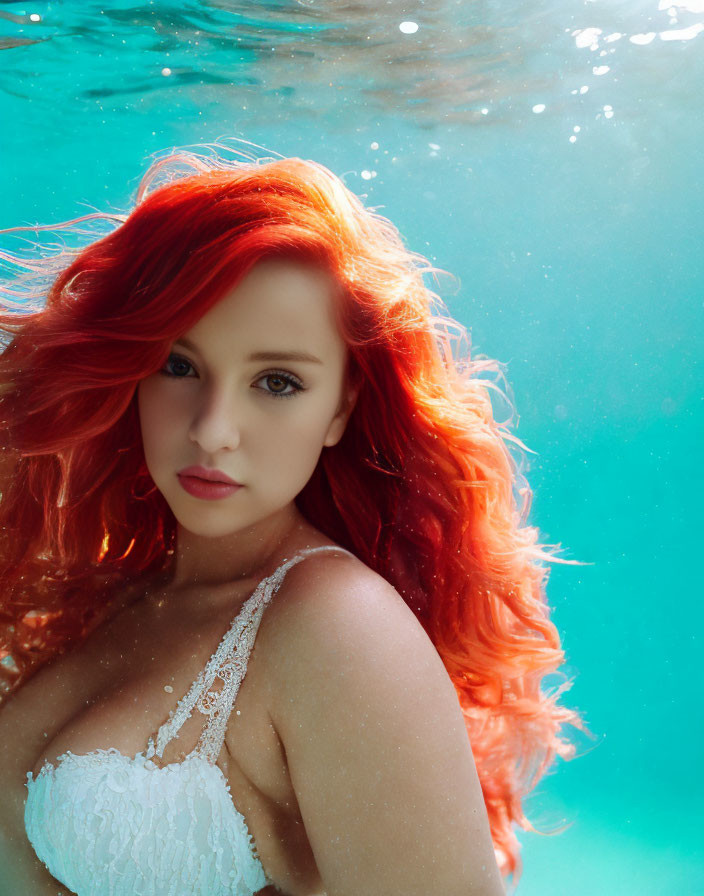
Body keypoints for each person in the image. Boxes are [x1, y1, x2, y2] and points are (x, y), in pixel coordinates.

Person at [0, 144, 588, 896]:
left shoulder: (337, 624)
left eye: (276, 381)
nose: (213, 429)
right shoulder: (119, 590)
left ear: (342, 406)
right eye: (178, 366)